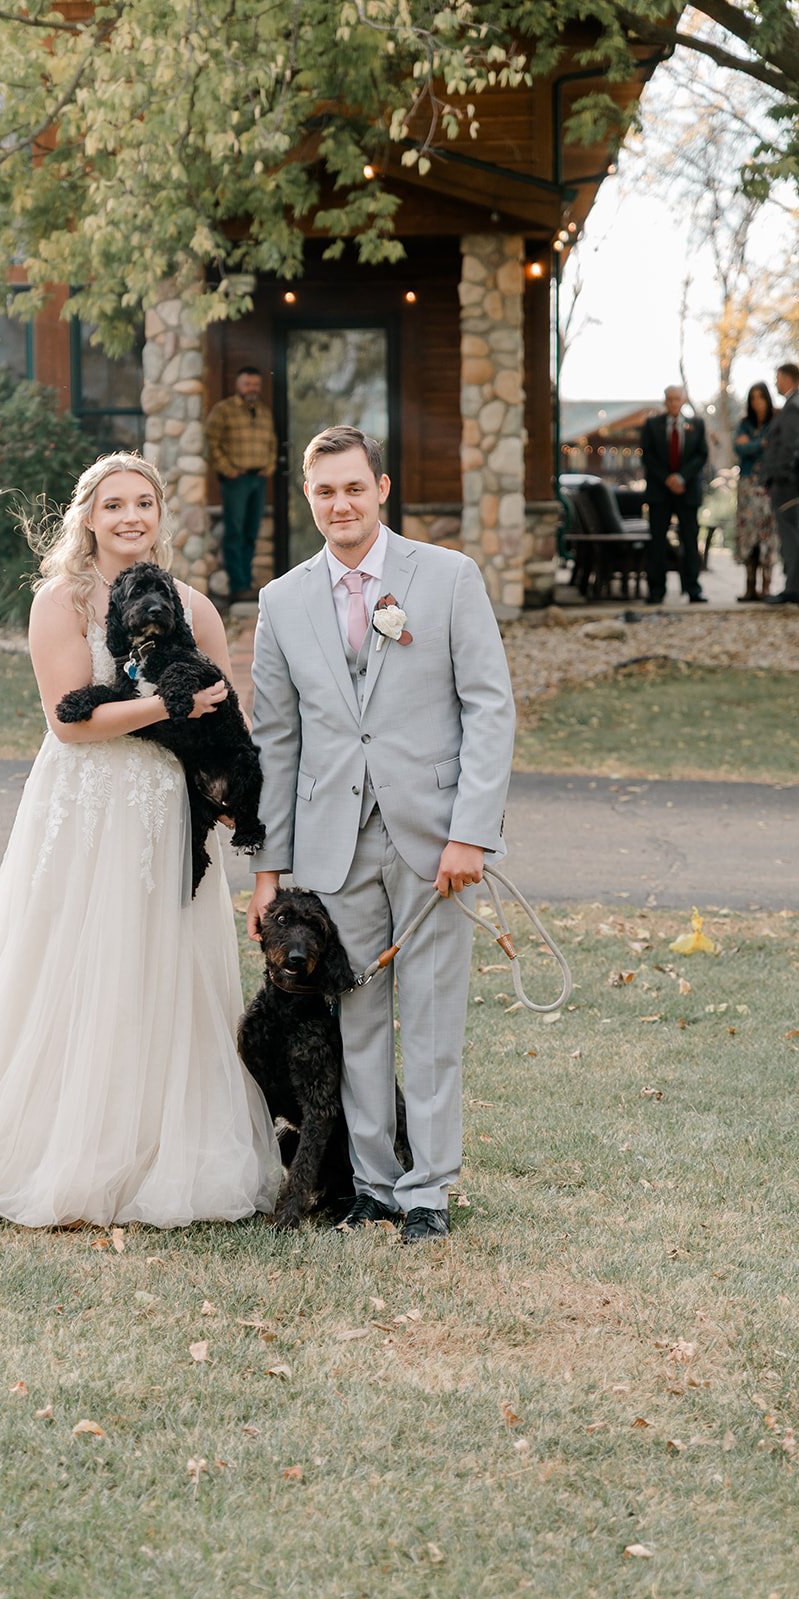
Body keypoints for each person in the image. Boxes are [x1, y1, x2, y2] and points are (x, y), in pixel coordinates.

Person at [0, 452, 280, 1228]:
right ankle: (51, 1152)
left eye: (143, 503)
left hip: (167, 809)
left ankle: (160, 1151)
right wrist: (168, 706)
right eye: (113, 504)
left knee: (161, 964)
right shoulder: (61, 600)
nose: (129, 517)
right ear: (87, 517)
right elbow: (70, 723)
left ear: (159, 514)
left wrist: (227, 797)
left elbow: (223, 718)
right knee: (75, 960)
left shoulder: (194, 606)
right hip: (86, 806)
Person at [246, 426, 515, 1244]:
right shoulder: (281, 600)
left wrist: (471, 833)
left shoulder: (446, 577)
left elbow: (488, 706)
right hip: (331, 845)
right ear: (308, 497)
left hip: (433, 842)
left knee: (430, 1018)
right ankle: (372, 1187)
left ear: (381, 489)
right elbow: (275, 740)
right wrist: (268, 868)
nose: (341, 504)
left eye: (353, 488)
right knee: (353, 1021)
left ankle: (427, 1190)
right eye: (325, 491)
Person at [205, 366, 278, 602]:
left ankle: (247, 583)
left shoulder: (264, 412)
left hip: (258, 480)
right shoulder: (224, 410)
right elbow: (211, 443)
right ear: (238, 385)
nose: (252, 389)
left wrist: (270, 466)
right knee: (235, 532)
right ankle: (238, 586)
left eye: (256, 384)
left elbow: (272, 442)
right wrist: (228, 470)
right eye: (247, 384)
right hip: (236, 481)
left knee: (251, 533)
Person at [640, 385, 710, 604]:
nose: (673, 403)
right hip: (659, 492)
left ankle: (693, 589)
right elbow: (647, 456)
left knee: (689, 540)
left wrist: (681, 478)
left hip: (687, 491)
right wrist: (667, 479)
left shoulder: (696, 425)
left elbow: (701, 455)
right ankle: (656, 590)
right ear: (665, 401)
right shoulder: (652, 425)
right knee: (657, 542)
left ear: (683, 400)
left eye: (677, 399)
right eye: (669, 399)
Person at [732, 382, 778, 602]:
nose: (757, 402)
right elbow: (739, 448)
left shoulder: (775, 421)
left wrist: (752, 444)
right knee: (748, 533)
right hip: (747, 486)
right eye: (753, 398)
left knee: (767, 534)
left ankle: (766, 586)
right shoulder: (744, 424)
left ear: (767, 399)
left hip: (768, 484)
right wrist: (761, 443)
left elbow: (774, 448)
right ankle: (750, 586)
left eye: (760, 397)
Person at [760, 363, 799, 606]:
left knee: (791, 537)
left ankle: (793, 588)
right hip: (789, 483)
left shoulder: (794, 406)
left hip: (788, 486)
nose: (775, 383)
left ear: (787, 378)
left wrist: (779, 476)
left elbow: (790, 445)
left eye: (777, 378)